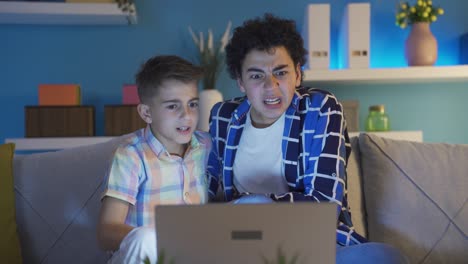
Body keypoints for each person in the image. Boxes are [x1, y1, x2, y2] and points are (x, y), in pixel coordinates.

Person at [206, 13, 408, 263]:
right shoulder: (223, 117)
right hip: (241, 242)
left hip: (313, 241)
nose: (271, 86)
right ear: (240, 81)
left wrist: (255, 205)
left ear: (298, 75)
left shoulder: (321, 108)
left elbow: (325, 206)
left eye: (280, 73)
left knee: (385, 256)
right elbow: (207, 197)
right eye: (257, 76)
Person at [97, 55, 211, 263]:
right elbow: (106, 232)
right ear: (147, 113)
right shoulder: (131, 155)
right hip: (146, 255)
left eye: (192, 104)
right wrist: (165, 240)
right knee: (144, 238)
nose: (186, 115)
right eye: (172, 106)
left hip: (191, 256)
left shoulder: (207, 147)